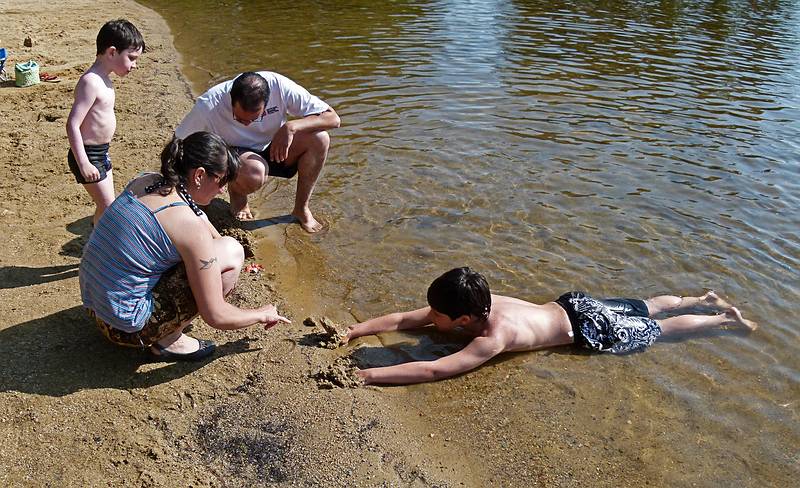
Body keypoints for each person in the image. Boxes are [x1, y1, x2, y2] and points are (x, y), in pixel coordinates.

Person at [343, 267, 757, 385]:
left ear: (465, 320)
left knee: (659, 330)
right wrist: (353, 331)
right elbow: (402, 318)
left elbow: (434, 369)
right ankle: (701, 297)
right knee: (644, 306)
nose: (428, 319)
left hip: (589, 330)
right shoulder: (483, 301)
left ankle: (723, 319)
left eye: (438, 316)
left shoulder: (493, 338)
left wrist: (367, 374)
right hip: (572, 304)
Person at [79, 131, 290, 361]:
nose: (222, 191)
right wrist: (262, 314)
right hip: (125, 330)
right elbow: (216, 316)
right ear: (199, 175)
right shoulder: (188, 228)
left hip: (93, 306)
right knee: (232, 251)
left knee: (213, 250)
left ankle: (162, 326)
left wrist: (212, 242)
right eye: (221, 181)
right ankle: (169, 340)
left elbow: (196, 214)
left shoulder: (146, 180)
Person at [174, 71, 341, 232]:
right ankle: (238, 194)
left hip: (275, 145)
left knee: (320, 139)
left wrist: (291, 127)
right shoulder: (210, 104)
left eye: (254, 119)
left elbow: (333, 118)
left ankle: (301, 208)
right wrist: (174, 185)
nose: (247, 124)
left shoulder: (280, 87)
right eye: (239, 119)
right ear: (231, 99)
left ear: (267, 102)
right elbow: (179, 143)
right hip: (237, 157)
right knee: (255, 171)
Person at [66, 19, 145, 225]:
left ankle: (95, 236)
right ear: (112, 52)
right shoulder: (91, 82)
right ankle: (103, 248)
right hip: (88, 154)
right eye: (132, 58)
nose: (134, 65)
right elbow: (72, 124)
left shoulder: (104, 79)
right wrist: (83, 163)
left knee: (106, 206)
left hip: (101, 151)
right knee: (110, 208)